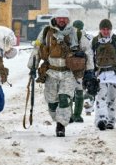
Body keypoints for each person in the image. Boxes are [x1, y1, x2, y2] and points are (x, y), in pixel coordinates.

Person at [28, 9, 94, 137]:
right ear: (55, 19)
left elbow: (88, 51)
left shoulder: (77, 33)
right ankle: (58, 118)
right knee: (52, 102)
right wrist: (32, 67)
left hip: (68, 73)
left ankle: (61, 126)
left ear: (68, 20)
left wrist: (90, 71)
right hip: (51, 72)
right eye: (59, 18)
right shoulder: (46, 32)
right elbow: (37, 48)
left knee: (64, 99)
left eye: (64, 18)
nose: (62, 20)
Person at [70, 20, 93, 121]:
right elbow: (89, 53)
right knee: (79, 91)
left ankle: (70, 115)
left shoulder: (68, 35)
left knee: (69, 92)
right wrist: (90, 69)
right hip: (80, 68)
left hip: (69, 66)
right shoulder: (85, 37)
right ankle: (77, 115)